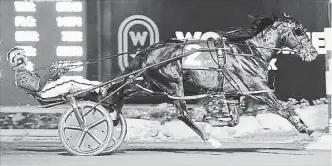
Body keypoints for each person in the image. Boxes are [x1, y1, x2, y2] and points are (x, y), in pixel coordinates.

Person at [6, 47, 106, 99]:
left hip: (46, 90)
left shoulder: (24, 73)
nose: (26, 57)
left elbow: (45, 81)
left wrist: (58, 72)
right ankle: (100, 87)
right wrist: (51, 71)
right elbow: (37, 87)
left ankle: (98, 90)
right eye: (24, 56)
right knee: (70, 81)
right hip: (44, 93)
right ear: (19, 58)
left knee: (74, 82)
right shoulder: (20, 76)